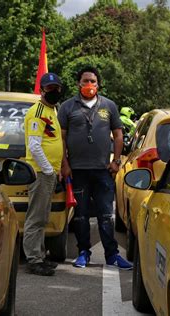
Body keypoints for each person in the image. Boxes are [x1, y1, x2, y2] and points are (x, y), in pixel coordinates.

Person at [58, 66, 133, 270]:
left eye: (93, 81)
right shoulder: (67, 107)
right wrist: (64, 164)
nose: (89, 85)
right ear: (78, 84)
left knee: (106, 214)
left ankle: (112, 255)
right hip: (77, 170)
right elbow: (61, 138)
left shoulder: (109, 106)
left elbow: (118, 135)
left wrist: (116, 161)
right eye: (85, 81)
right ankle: (83, 253)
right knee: (80, 215)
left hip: (103, 171)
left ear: (98, 84)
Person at [23, 72, 64, 276]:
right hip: (41, 172)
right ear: (42, 90)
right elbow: (35, 146)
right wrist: (48, 170)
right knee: (36, 217)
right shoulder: (38, 112)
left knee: (42, 216)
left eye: (56, 88)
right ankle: (34, 259)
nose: (54, 91)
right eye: (50, 88)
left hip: (48, 172)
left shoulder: (51, 110)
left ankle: (39, 255)